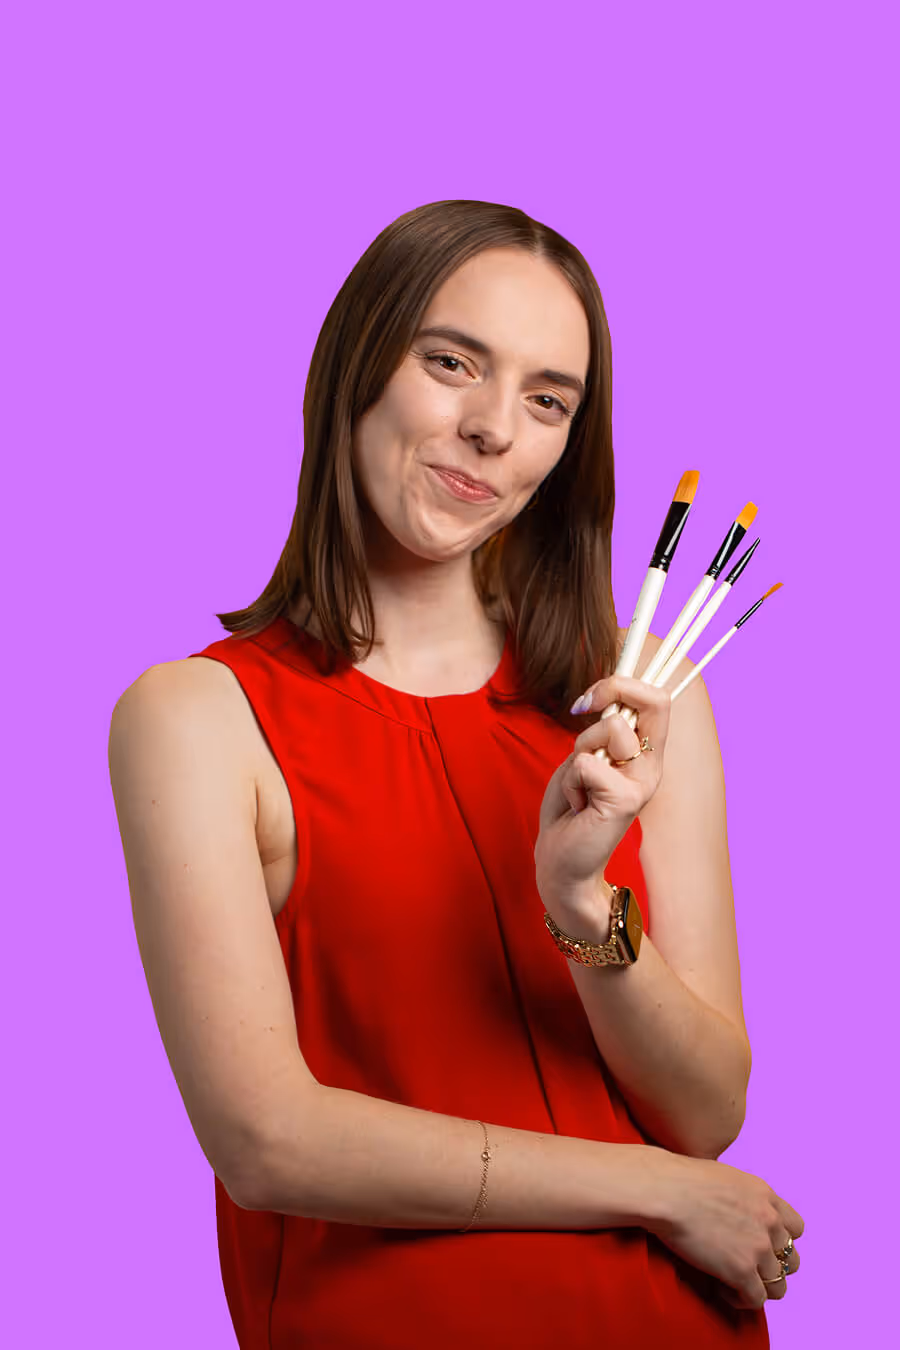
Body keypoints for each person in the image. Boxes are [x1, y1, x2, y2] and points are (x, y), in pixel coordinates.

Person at [108, 200, 803, 1348]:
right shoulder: (196, 717)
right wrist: (655, 1189)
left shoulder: (636, 709)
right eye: (451, 363)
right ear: (358, 368)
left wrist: (586, 910)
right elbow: (267, 1140)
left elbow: (707, 1111)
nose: (492, 430)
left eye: (546, 401)